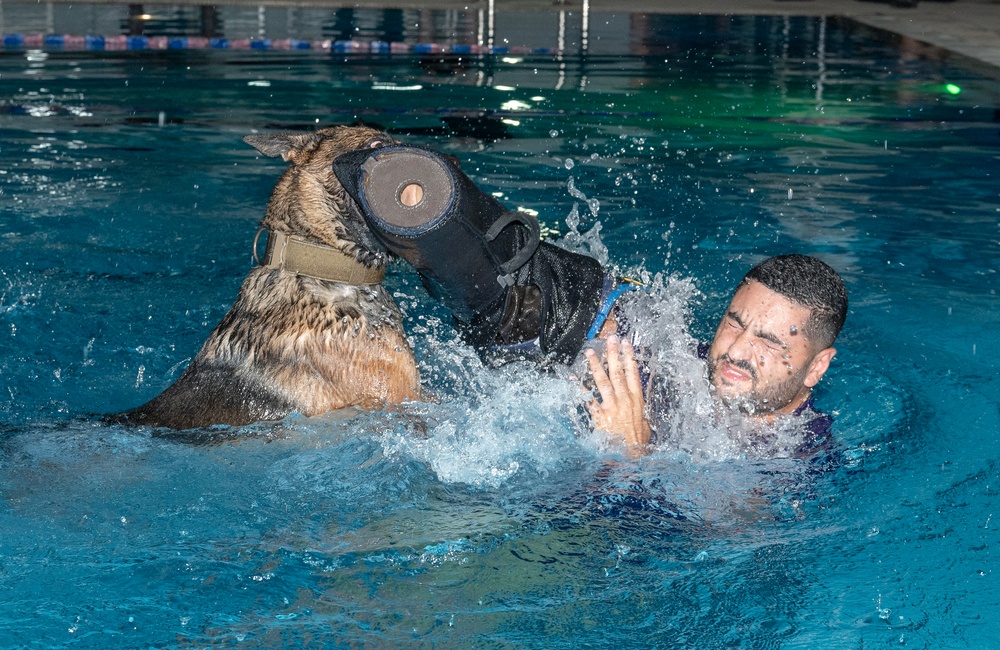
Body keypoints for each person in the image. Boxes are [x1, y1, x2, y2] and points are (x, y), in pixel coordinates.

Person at [331, 143, 847, 456]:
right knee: (550, 302)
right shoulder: (684, 362)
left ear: (817, 367)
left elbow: (722, 544)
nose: (734, 351)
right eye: (734, 322)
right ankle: (420, 201)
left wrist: (632, 455)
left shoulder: (797, 454)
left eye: (768, 341)